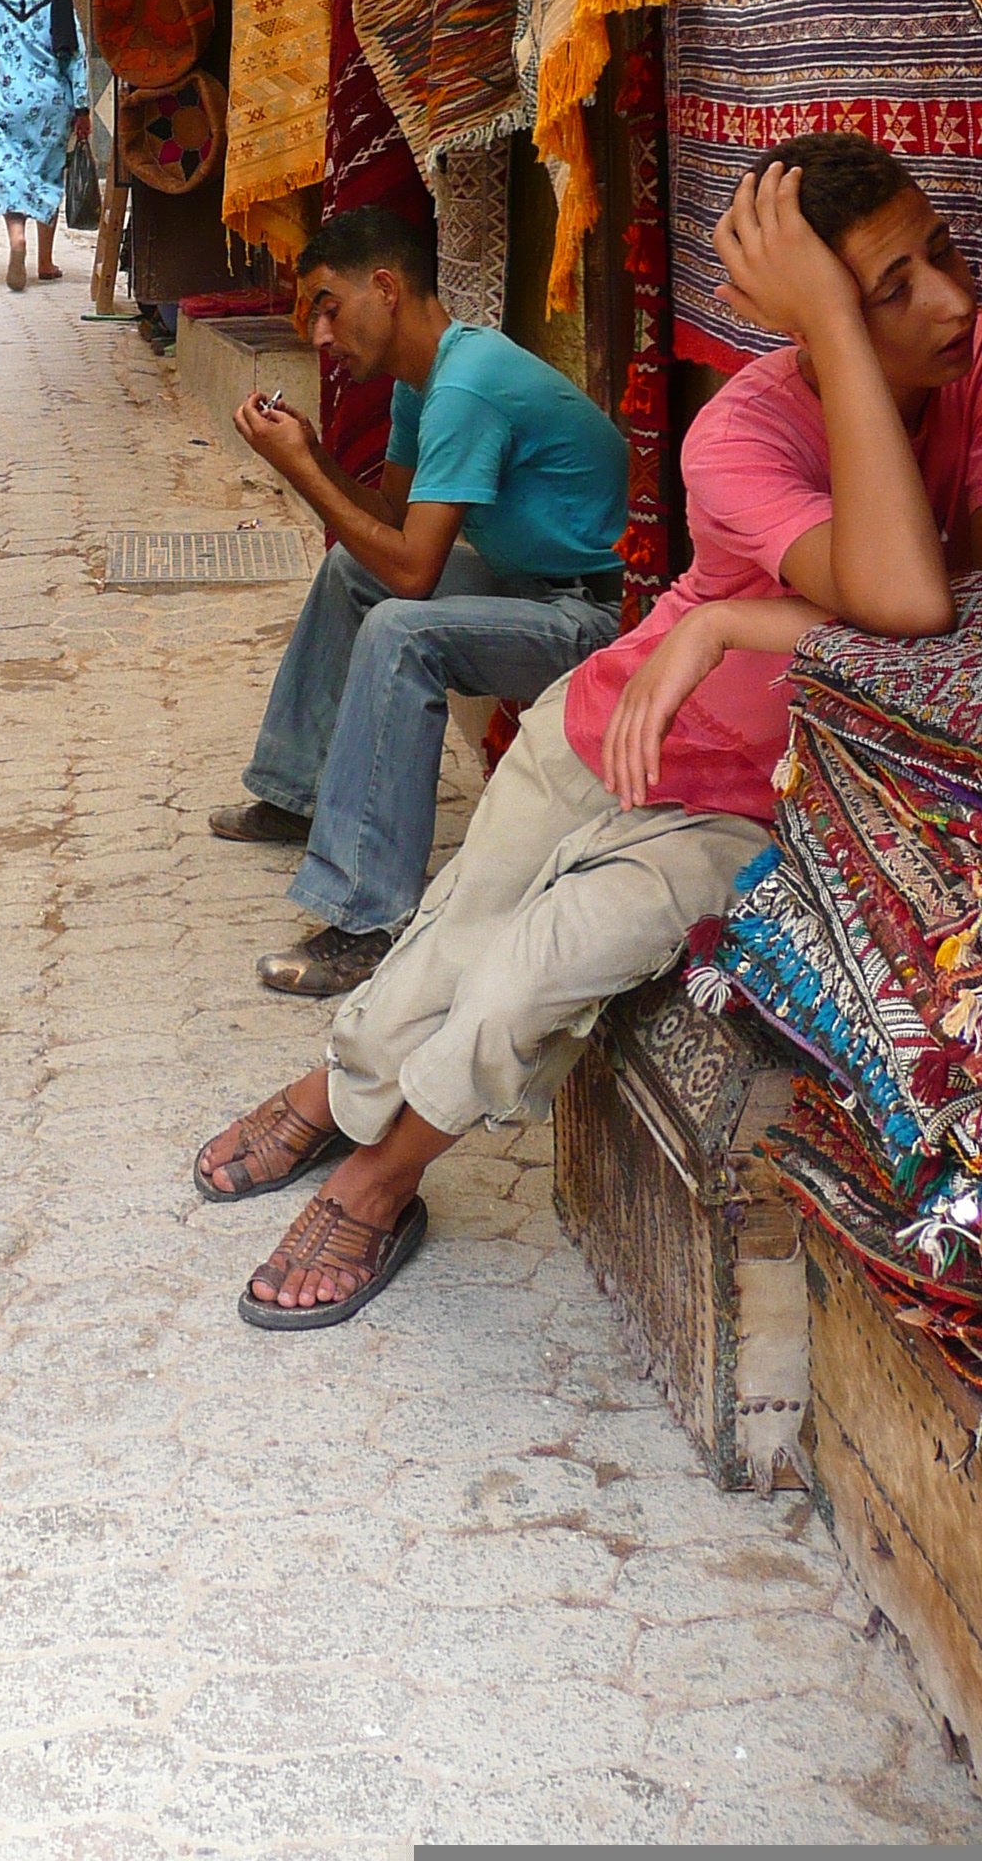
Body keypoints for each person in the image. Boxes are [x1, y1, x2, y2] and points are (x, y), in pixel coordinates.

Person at [193, 134, 982, 1330]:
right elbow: (903, 591)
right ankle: (334, 1088)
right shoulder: (739, 435)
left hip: (736, 799)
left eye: (940, 256)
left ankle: (380, 1173)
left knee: (523, 977)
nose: (952, 302)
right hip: (601, 725)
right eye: (889, 288)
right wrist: (824, 336)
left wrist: (724, 627)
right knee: (451, 940)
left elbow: (917, 599)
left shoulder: (963, 390)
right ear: (803, 320)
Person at [221, 203, 627, 998]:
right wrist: (314, 456)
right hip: (534, 586)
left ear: (385, 287)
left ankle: (366, 919)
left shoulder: (467, 387)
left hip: (606, 621)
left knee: (401, 630)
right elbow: (390, 528)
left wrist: (300, 472)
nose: (321, 338)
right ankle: (297, 792)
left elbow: (413, 574)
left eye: (329, 308)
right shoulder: (428, 380)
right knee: (350, 577)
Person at [0, 0, 90, 293]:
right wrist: (82, 106)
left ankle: (16, 239)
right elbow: (75, 55)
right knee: (46, 172)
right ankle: (45, 260)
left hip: (4, 98)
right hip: (49, 102)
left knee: (8, 171)